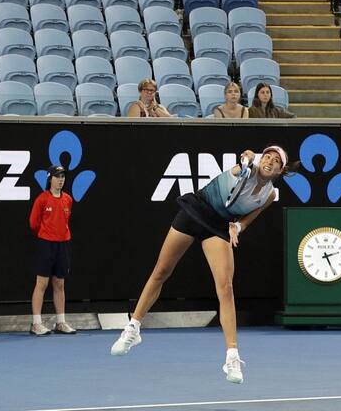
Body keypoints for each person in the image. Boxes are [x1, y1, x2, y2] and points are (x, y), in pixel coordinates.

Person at [109, 146, 294, 385]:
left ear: (280, 170)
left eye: (276, 160)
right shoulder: (243, 169)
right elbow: (243, 162)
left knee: (226, 288)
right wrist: (246, 160)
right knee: (161, 271)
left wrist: (238, 227)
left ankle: (232, 357)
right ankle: (133, 328)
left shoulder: (269, 195)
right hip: (196, 210)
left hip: (218, 225)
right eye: (267, 156)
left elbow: (250, 217)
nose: (269, 161)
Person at [28, 165, 76, 336]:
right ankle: (36, 324)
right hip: (46, 245)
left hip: (63, 245)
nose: (61, 179)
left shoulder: (68, 199)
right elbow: (33, 223)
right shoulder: (42, 199)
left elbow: (66, 220)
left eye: (63, 176)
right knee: (42, 283)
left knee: (59, 284)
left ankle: (61, 322)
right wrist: (46, 234)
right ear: (50, 179)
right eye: (57, 176)